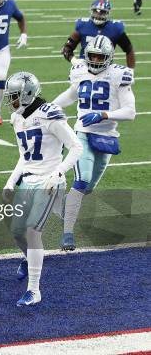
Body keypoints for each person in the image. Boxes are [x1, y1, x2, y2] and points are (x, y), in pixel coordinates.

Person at [2, 72, 83, 306]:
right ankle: (30, 260)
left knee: (31, 231)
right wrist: (11, 180)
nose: (11, 101)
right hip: (29, 179)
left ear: (26, 95)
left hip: (50, 180)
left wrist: (58, 173)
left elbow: (76, 147)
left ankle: (34, 290)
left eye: (14, 96)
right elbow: (24, 156)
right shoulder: (17, 118)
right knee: (17, 231)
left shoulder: (50, 114)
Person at [53, 35, 136, 251]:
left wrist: (103, 115)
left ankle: (63, 203)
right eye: (93, 56)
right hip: (82, 132)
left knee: (88, 188)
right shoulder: (80, 70)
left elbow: (130, 112)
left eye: (101, 56)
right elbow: (73, 94)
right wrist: (52, 107)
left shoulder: (119, 75)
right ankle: (67, 234)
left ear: (109, 57)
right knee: (82, 181)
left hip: (107, 137)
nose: (96, 60)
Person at [61, 0, 135, 68]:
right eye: (95, 11)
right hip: (84, 67)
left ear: (108, 13)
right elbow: (66, 48)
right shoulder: (83, 26)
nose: (98, 15)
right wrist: (74, 61)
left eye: (102, 12)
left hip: (106, 69)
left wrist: (130, 70)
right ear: (91, 11)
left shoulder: (115, 28)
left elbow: (129, 49)